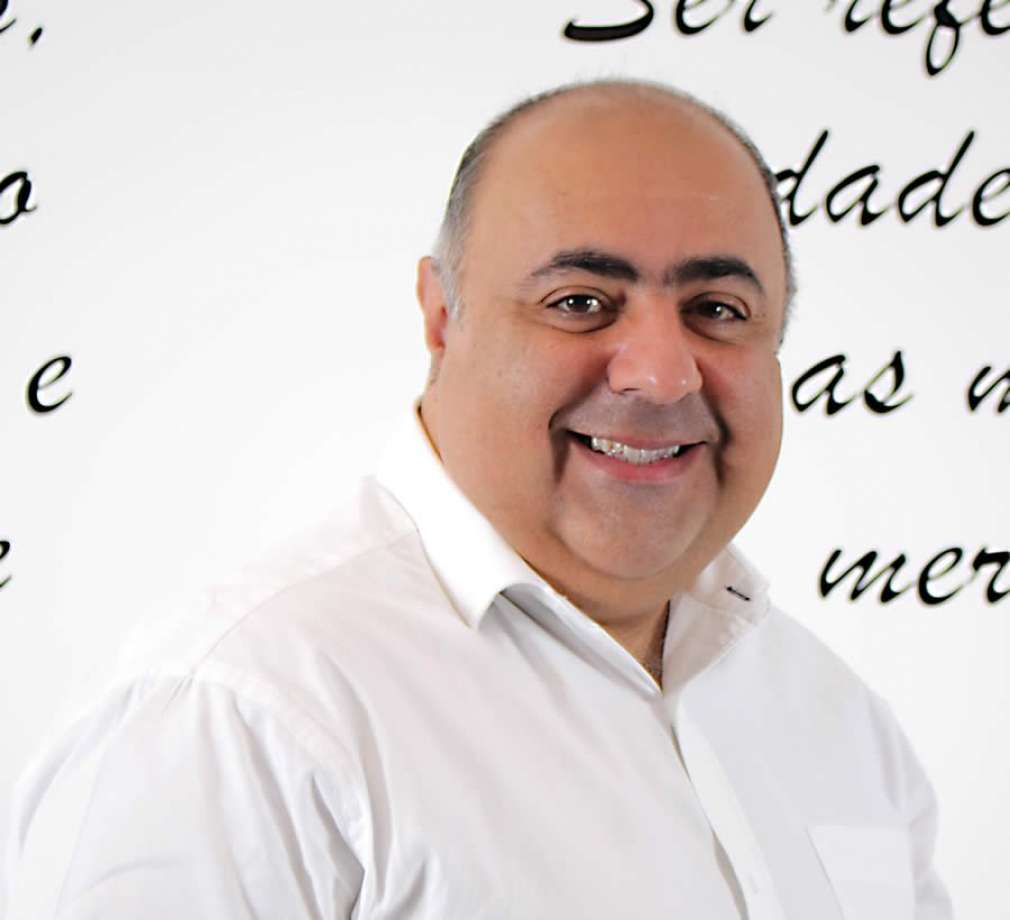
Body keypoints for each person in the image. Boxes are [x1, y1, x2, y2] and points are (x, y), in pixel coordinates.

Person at [4, 79, 952, 919]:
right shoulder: (243, 719)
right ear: (440, 317)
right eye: (580, 301)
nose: (662, 374)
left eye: (717, 311)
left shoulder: (841, 724)